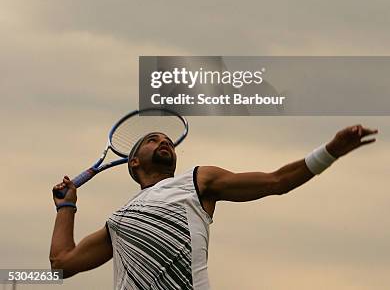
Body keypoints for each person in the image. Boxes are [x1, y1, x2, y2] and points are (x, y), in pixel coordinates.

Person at [50, 124, 378, 289]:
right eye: (153, 139)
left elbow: (276, 181)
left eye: (167, 140)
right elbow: (62, 264)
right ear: (133, 161)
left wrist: (331, 151)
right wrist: (66, 208)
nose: (163, 142)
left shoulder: (196, 181)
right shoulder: (118, 221)